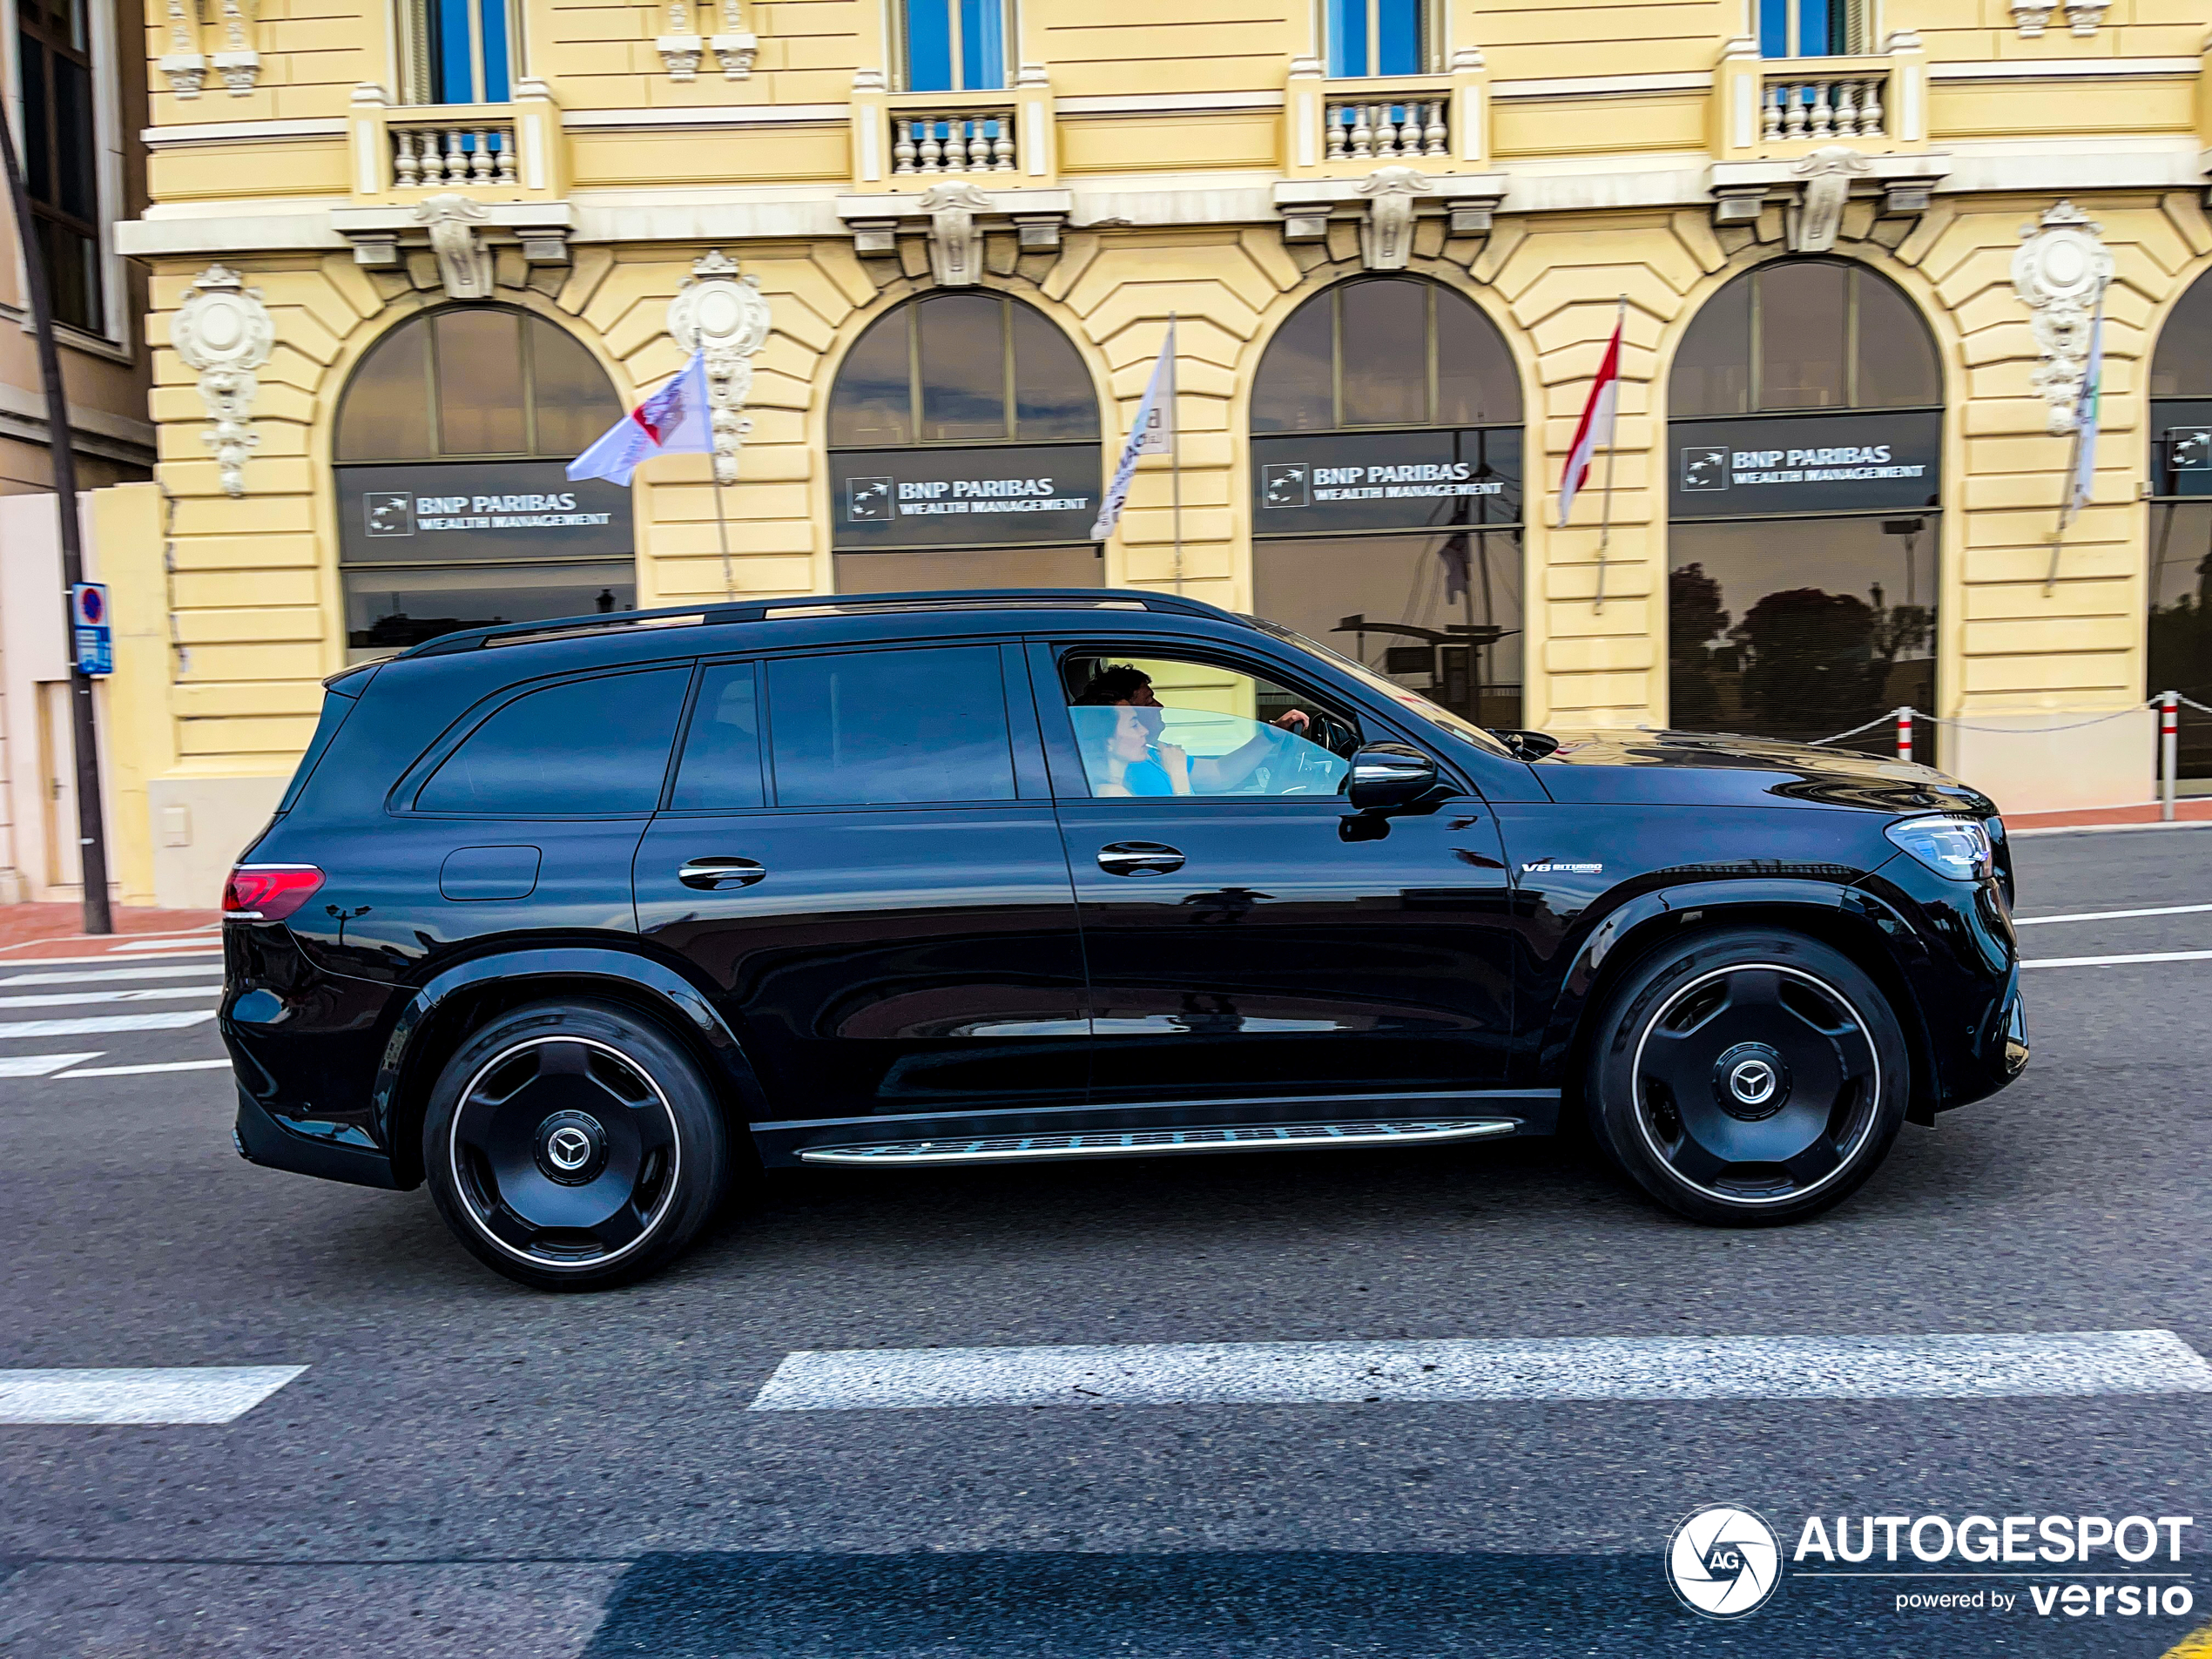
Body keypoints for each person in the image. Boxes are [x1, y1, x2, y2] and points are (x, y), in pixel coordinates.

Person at [1071, 664, 1316, 795]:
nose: (1159, 707)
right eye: (1148, 702)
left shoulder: (1151, 754)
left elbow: (1221, 773)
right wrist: (1178, 776)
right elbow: (1170, 832)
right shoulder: (1126, 774)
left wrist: (1270, 735)